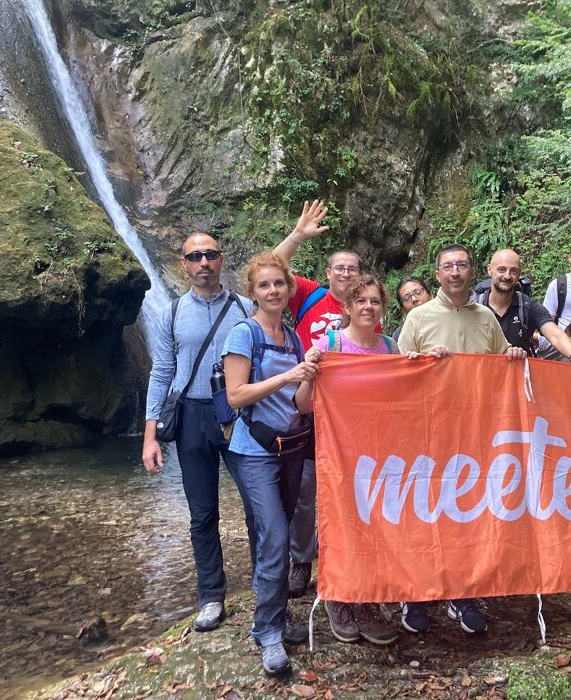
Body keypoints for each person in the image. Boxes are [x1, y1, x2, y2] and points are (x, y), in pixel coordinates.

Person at [397, 243, 540, 635]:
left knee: (463, 513)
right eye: (448, 266)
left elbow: (499, 371)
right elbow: (397, 375)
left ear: (471, 270)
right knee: (424, 512)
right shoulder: (419, 318)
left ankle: (461, 594)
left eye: (462, 265)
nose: (456, 271)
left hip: (475, 434)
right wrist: (421, 362)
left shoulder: (486, 318)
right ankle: (417, 592)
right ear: (438, 273)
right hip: (429, 433)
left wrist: (511, 355)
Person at [142, 232, 254, 634]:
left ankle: (264, 588)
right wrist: (150, 436)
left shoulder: (245, 307)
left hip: (238, 413)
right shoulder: (171, 314)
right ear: (184, 264)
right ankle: (210, 596)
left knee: (257, 505)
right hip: (190, 416)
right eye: (195, 256)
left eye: (210, 254)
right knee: (202, 513)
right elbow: (161, 373)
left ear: (222, 259)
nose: (203, 262)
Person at [222, 252, 320, 674]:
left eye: (279, 284)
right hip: (255, 449)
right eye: (264, 285)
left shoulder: (294, 337)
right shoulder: (242, 334)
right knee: (275, 536)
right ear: (253, 292)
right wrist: (287, 376)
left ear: (289, 288)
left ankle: (277, 617)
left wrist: (310, 378)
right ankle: (267, 630)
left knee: (278, 536)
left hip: (293, 445)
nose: (273, 291)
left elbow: (299, 403)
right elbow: (236, 396)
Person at [272, 200, 354, 599]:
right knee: (304, 491)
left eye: (352, 269)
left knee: (348, 488)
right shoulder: (308, 294)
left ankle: (347, 555)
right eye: (339, 268)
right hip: (307, 408)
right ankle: (301, 560)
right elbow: (269, 268)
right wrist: (298, 235)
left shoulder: (365, 307)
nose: (345, 274)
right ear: (327, 273)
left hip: (349, 415)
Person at [312, 275, 400, 646]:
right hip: (338, 451)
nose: (367, 307)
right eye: (360, 301)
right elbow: (303, 404)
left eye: (374, 302)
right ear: (346, 307)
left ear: (383, 308)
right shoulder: (329, 344)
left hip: (380, 453)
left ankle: (365, 600)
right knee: (339, 523)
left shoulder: (391, 347)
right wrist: (309, 369)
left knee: (374, 525)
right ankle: (337, 598)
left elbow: (407, 398)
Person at [478, 248, 571, 363]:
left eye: (513, 271)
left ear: (519, 274)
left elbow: (554, 334)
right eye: (501, 270)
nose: (507, 276)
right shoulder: (475, 306)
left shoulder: (528, 306)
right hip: (483, 374)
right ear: (489, 269)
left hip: (517, 376)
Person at [392, 276, 432, 343]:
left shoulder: (446, 318)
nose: (414, 299)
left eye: (418, 292)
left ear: (431, 296)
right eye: (407, 298)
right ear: (403, 309)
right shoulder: (399, 335)